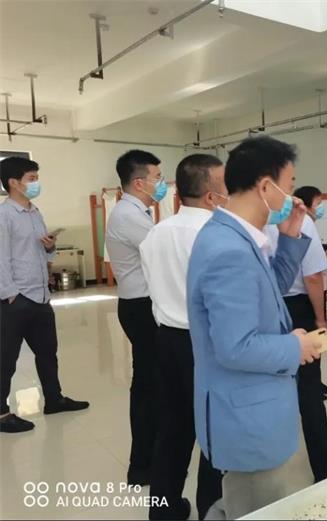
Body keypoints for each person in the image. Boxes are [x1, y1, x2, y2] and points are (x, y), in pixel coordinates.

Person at [187, 136, 323, 519]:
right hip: (246, 417)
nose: (291, 197)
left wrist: (291, 238)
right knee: (254, 507)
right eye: (289, 185)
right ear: (266, 187)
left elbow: (266, 294)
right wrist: (296, 347)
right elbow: (236, 347)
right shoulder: (229, 250)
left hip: (250, 406)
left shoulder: (236, 236)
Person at [140, 154, 227, 520]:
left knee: (172, 427)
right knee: (213, 430)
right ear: (211, 195)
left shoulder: (156, 233)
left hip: (167, 340)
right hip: (205, 343)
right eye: (225, 186)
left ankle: (164, 508)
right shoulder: (216, 236)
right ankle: (210, 508)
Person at [266, 185, 327, 483]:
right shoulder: (299, 219)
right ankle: (324, 466)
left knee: (271, 384)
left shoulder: (251, 218)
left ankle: (270, 463)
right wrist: (321, 318)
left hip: (266, 307)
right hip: (299, 308)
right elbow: (314, 277)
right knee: (309, 389)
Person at [0, 157, 89, 434]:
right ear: (14, 183)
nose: (36, 183)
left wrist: (50, 247)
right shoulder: (4, 215)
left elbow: (39, 250)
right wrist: (11, 295)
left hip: (40, 296)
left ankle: (54, 399)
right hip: (16, 299)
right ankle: (1, 414)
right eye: (32, 178)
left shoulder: (35, 212)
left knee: (48, 353)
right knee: (6, 359)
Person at [105, 149, 164, 485]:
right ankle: (142, 464)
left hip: (142, 303)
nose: (161, 183)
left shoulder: (136, 212)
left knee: (151, 382)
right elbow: (164, 253)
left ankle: (149, 456)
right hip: (141, 306)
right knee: (147, 385)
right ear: (140, 182)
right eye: (157, 177)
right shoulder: (129, 215)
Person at [291, 186, 327, 398]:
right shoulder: (304, 223)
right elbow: (312, 275)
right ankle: (312, 389)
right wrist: (321, 317)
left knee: (315, 351)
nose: (321, 208)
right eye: (318, 204)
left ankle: (316, 383)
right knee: (311, 351)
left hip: (309, 294)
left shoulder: (307, 224)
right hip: (305, 298)